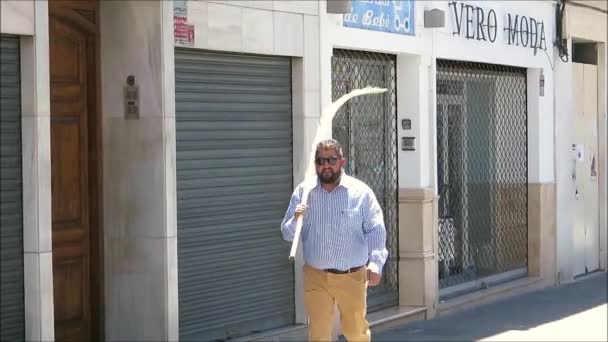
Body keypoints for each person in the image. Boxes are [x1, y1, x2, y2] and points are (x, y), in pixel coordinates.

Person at [281, 139, 388, 342]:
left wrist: (376, 263)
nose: (326, 165)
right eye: (321, 160)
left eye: (331, 160)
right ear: (316, 164)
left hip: (352, 275)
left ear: (342, 162)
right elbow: (287, 234)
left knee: (356, 333)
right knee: (318, 334)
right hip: (316, 276)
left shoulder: (360, 193)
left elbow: (375, 229)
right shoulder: (304, 193)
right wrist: (296, 219)